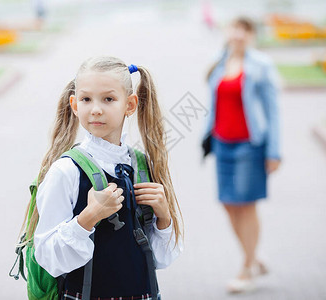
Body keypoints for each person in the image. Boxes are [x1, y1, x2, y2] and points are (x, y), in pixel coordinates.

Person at [27, 56, 183, 299]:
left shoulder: (141, 165)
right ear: (75, 105)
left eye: (108, 99)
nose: (96, 109)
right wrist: (89, 217)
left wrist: (163, 217)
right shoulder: (66, 171)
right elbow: (48, 257)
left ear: (130, 105)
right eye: (86, 99)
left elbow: (161, 259)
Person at [202, 17, 281, 293]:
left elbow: (273, 111)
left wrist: (274, 151)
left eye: (244, 30)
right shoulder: (219, 61)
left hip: (250, 145)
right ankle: (254, 253)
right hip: (223, 144)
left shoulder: (261, 66)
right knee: (228, 203)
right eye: (234, 28)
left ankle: (246, 268)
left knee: (246, 205)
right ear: (227, 32)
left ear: (251, 35)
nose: (237, 34)